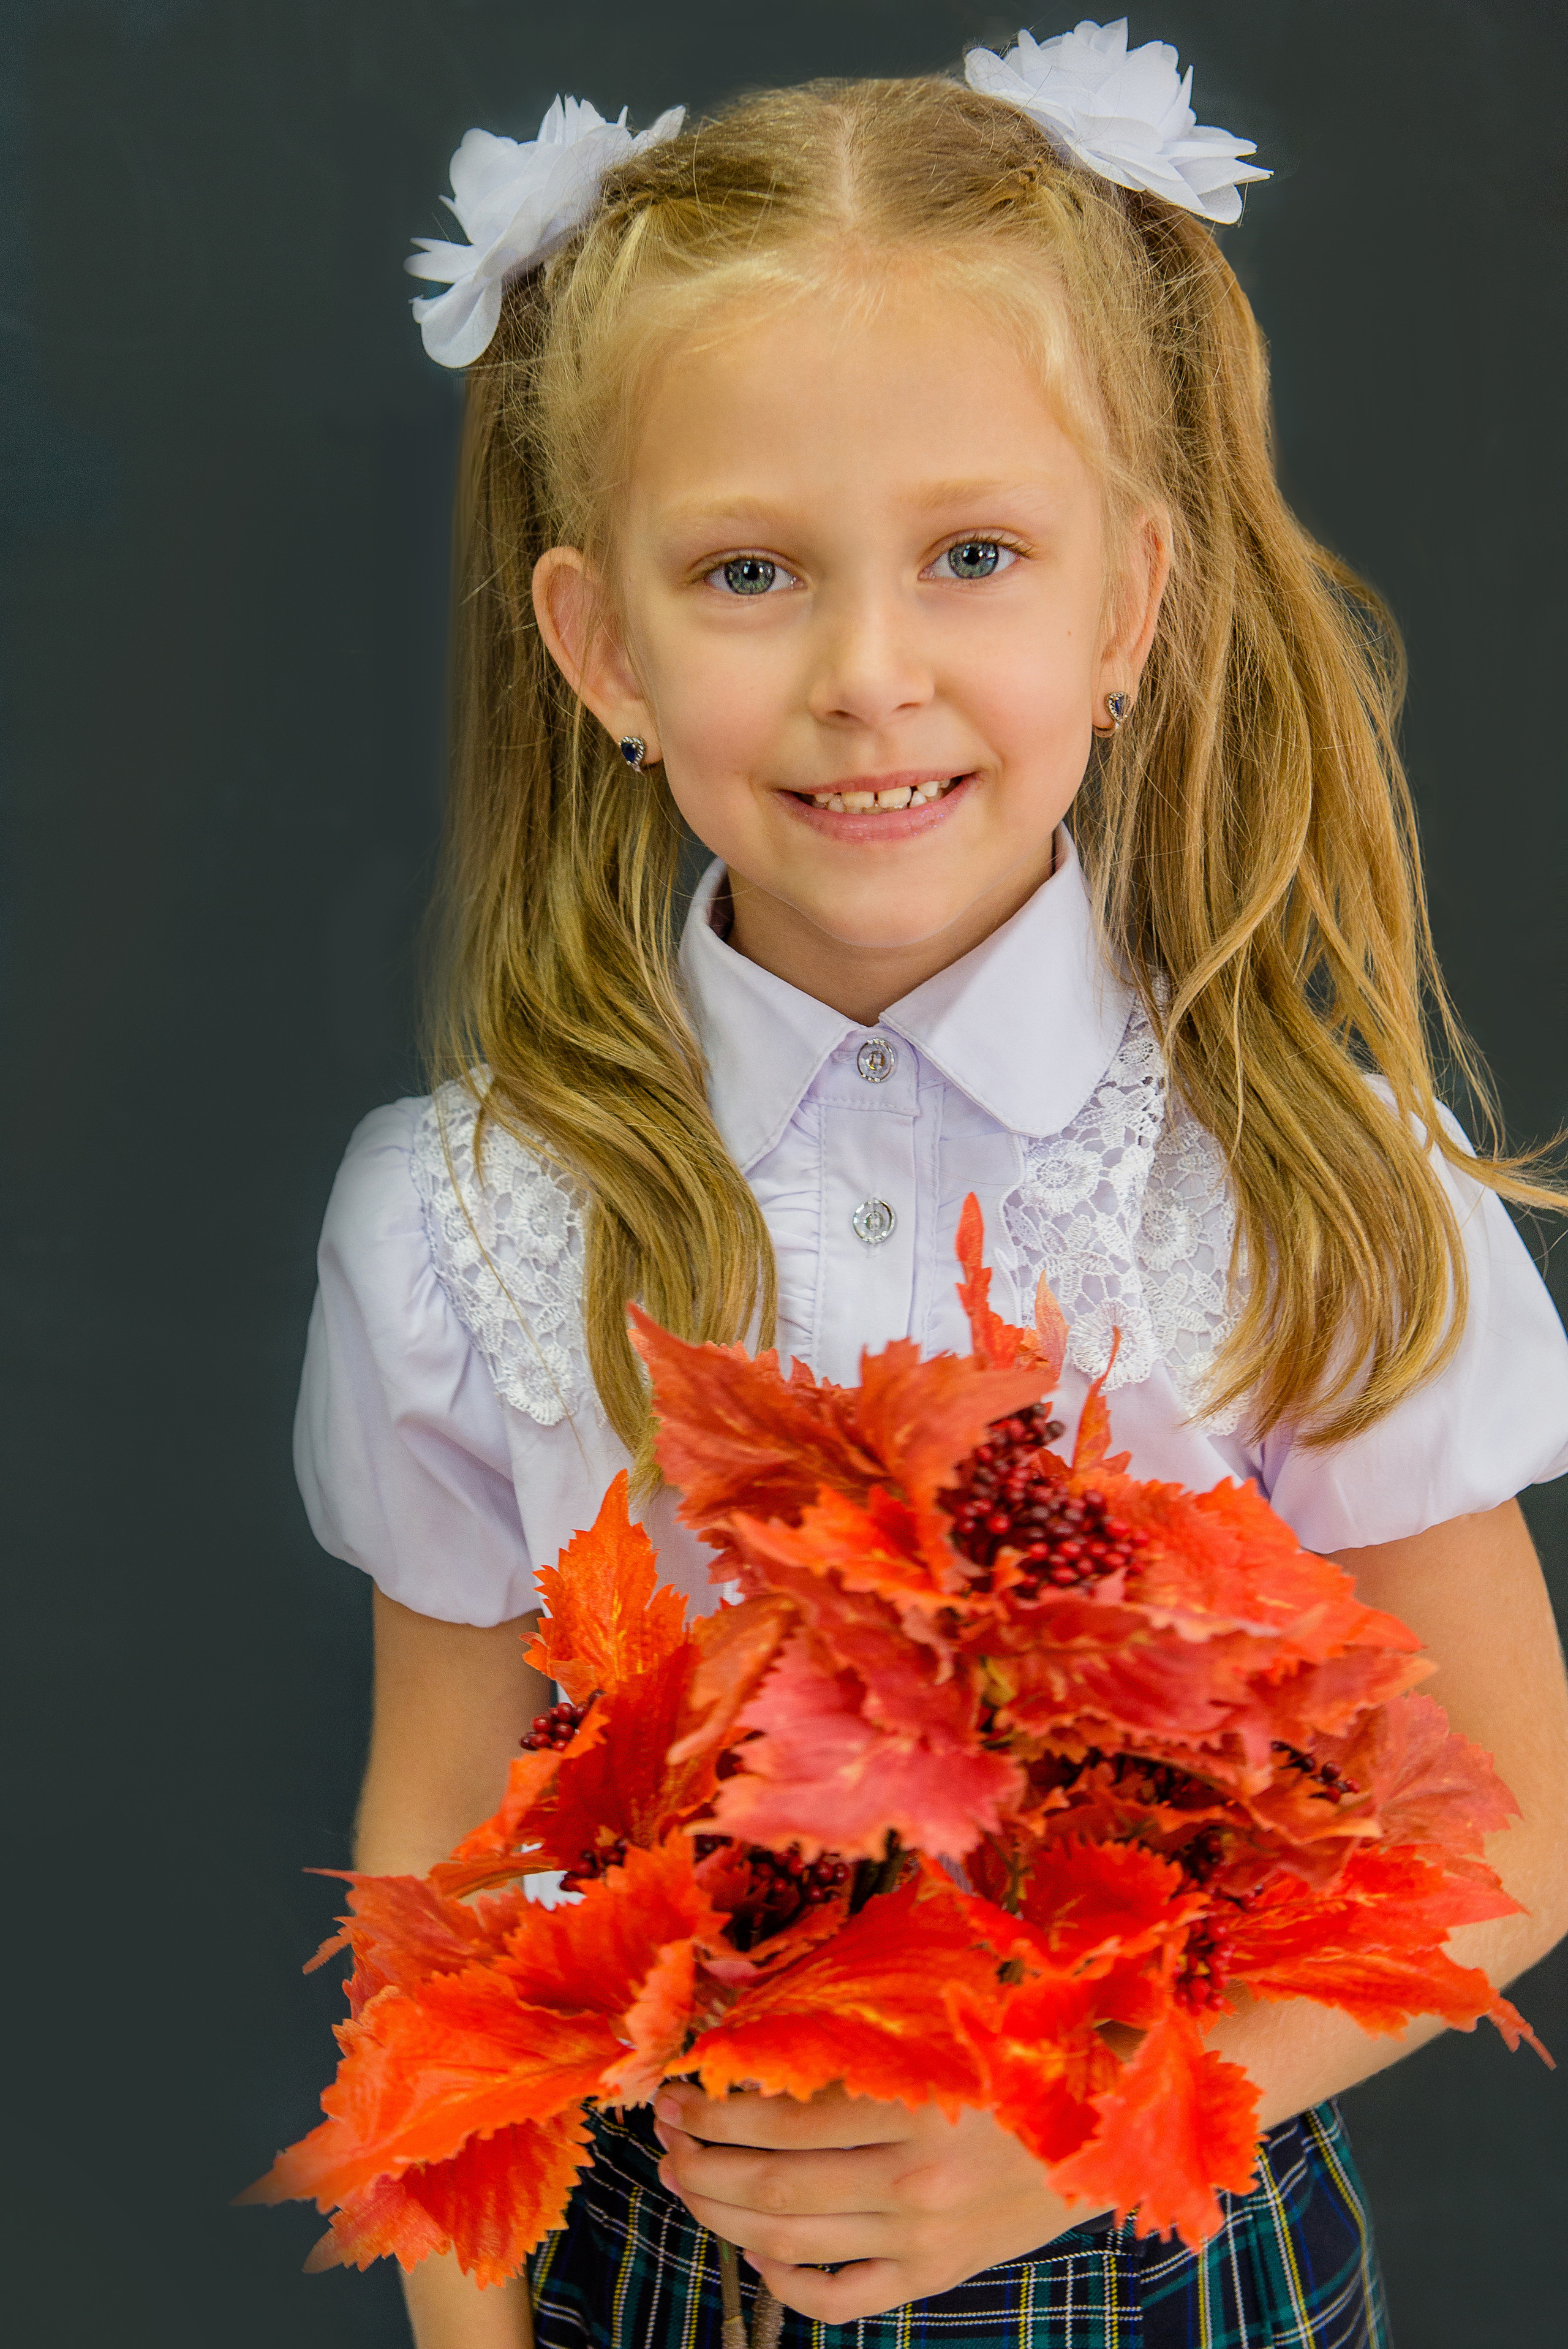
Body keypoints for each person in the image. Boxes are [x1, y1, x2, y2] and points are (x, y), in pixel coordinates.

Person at [294, 23, 1568, 2349]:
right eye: (754, 571)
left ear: (1127, 605)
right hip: (648, 2272)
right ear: (602, 649)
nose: (871, 675)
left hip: (1177, 2249)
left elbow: (1503, 1836)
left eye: (974, 555)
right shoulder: (469, 1221)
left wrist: (1078, 2111)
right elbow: (446, 1858)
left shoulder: (1303, 1187)